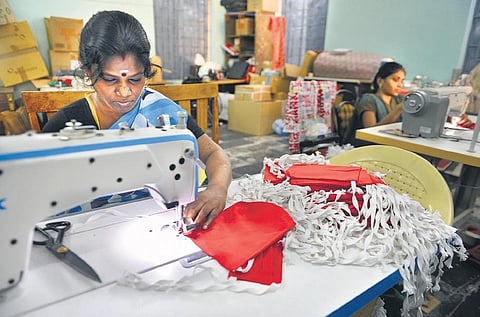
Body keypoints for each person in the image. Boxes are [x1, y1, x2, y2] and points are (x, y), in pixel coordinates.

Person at [42, 10, 232, 230]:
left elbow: (215, 154)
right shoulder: (66, 124)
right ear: (88, 71)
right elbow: (37, 188)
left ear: (147, 71)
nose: (125, 92)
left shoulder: (160, 110)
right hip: (85, 229)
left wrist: (217, 188)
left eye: (135, 79)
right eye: (110, 80)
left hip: (151, 217)